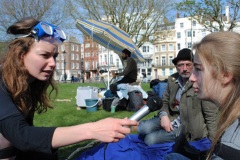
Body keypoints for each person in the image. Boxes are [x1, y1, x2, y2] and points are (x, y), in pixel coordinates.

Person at [0, 17, 138, 160]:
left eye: (54, 56)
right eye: (44, 55)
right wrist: (93, 130)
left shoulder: (29, 82)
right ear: (21, 55)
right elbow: (23, 136)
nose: (53, 63)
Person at [164, 31, 240, 160]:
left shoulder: (230, 146)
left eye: (198, 69)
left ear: (225, 75)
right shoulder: (231, 115)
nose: (192, 78)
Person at [137, 48, 218, 148]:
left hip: (186, 128)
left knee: (149, 139)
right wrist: (163, 116)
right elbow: (164, 101)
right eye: (180, 65)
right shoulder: (172, 80)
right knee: (142, 128)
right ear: (176, 67)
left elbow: (211, 116)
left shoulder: (202, 83)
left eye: (188, 64)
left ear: (194, 65)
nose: (184, 68)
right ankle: (163, 130)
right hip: (171, 117)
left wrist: (214, 143)